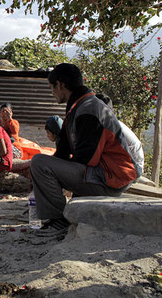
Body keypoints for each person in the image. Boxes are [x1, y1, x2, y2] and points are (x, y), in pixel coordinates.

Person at [30, 64, 142, 236]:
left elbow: (87, 159)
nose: (52, 92)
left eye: (51, 87)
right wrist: (45, 186)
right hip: (102, 174)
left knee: (39, 162)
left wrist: (57, 177)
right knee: (44, 163)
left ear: (60, 85)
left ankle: (58, 220)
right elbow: (63, 151)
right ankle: (61, 214)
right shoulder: (77, 106)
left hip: (111, 180)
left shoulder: (90, 109)